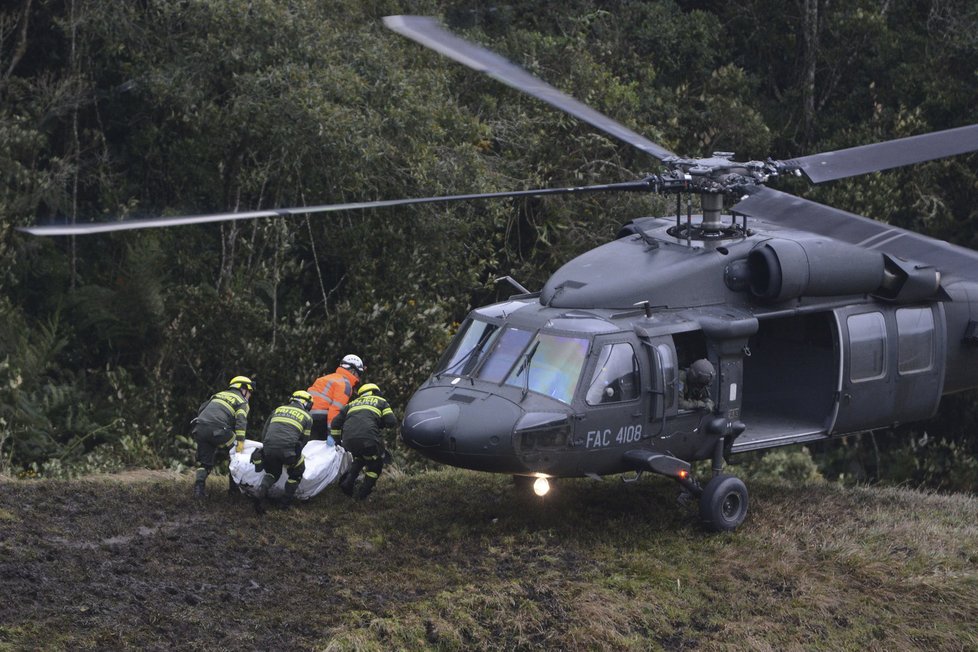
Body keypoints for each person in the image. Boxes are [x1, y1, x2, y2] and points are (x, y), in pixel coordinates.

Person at [251, 390, 314, 513]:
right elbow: (304, 440)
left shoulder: (277, 410)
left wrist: (268, 448)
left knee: (273, 472)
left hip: (269, 448)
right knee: (298, 470)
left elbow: (265, 432)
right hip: (287, 452)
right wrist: (294, 457)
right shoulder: (307, 417)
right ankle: (284, 504)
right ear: (305, 403)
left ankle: (260, 493)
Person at [191, 375, 253, 499]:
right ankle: (234, 491)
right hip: (218, 429)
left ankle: (199, 491)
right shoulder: (242, 401)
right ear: (243, 389)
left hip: (200, 427)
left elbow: (202, 408)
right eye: (250, 392)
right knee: (237, 455)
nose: (250, 395)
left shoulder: (218, 395)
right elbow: (241, 422)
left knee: (205, 463)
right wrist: (240, 444)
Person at [331, 383, 397, 500]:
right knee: (375, 465)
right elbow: (391, 422)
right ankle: (362, 495)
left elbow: (335, 423)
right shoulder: (381, 401)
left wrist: (338, 442)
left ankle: (348, 483)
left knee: (360, 457)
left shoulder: (350, 405)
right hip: (368, 439)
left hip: (348, 441)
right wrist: (379, 423)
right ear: (374, 392)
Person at [307, 354, 365, 440]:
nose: (358, 378)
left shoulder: (325, 378)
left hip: (307, 417)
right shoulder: (345, 384)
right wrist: (332, 433)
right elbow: (336, 410)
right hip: (322, 419)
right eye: (358, 374)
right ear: (353, 371)